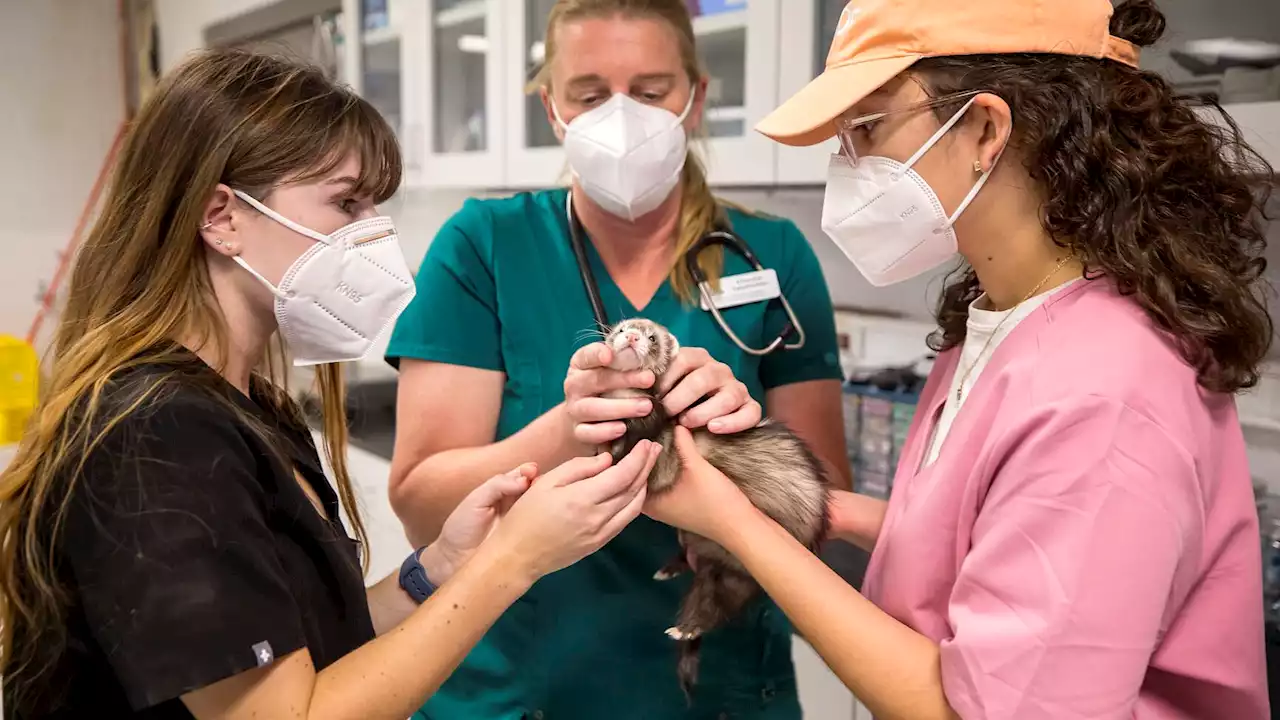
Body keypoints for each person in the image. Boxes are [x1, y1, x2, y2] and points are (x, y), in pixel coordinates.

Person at [644, 0, 1276, 718]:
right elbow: (1000, 543)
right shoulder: (1006, 317)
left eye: (867, 128)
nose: (847, 165)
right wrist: (822, 509)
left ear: (983, 128)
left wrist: (737, 526)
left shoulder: (1103, 395)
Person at [0, 48, 663, 720]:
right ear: (222, 217)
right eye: (346, 203)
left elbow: (291, 646)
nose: (373, 234)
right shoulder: (156, 434)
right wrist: (513, 563)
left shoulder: (253, 411)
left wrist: (436, 569)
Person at [384, 0, 850, 716]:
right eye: (591, 94)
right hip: (523, 687)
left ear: (695, 100)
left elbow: (819, 509)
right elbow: (422, 511)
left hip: (717, 686)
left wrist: (736, 440)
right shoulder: (485, 245)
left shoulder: (775, 253)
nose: (622, 116)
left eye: (653, 90)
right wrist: (572, 428)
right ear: (552, 108)